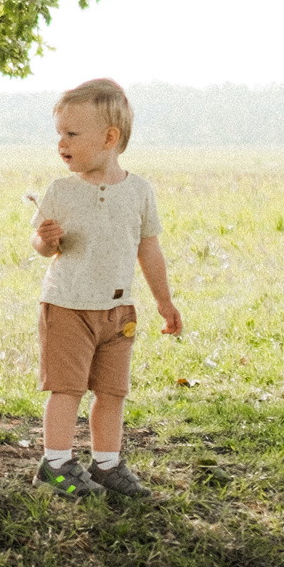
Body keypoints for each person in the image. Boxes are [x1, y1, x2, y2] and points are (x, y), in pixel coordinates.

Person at [28, 78, 181, 499]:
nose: (61, 142)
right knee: (67, 388)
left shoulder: (139, 192)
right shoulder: (61, 191)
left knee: (112, 392)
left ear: (109, 137)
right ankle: (55, 464)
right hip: (67, 306)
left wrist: (163, 301)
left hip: (118, 313)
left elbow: (148, 251)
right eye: (59, 133)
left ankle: (107, 464)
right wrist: (47, 239)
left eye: (72, 133)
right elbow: (40, 246)